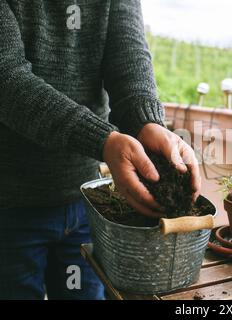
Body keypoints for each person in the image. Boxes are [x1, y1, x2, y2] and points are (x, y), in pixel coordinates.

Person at [0, 0, 200, 299]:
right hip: (10, 205)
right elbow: (7, 79)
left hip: (90, 202)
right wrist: (103, 141)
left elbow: (128, 57)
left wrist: (148, 123)